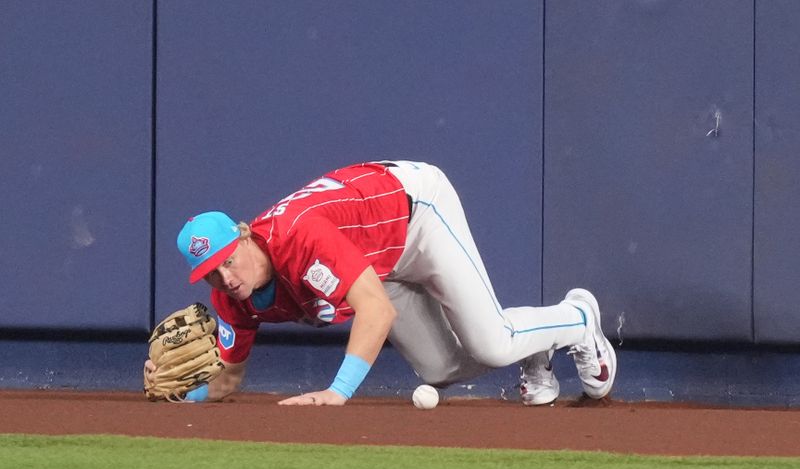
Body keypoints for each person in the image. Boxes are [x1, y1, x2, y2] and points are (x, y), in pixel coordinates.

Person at [144, 160, 617, 406]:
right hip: (372, 260)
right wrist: (184, 394)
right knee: (441, 369)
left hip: (415, 214)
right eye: (212, 274)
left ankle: (577, 318)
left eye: (229, 260)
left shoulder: (297, 237)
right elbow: (229, 379)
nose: (226, 278)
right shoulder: (232, 300)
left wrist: (338, 392)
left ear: (244, 234)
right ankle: (534, 346)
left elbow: (376, 311)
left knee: (493, 345)